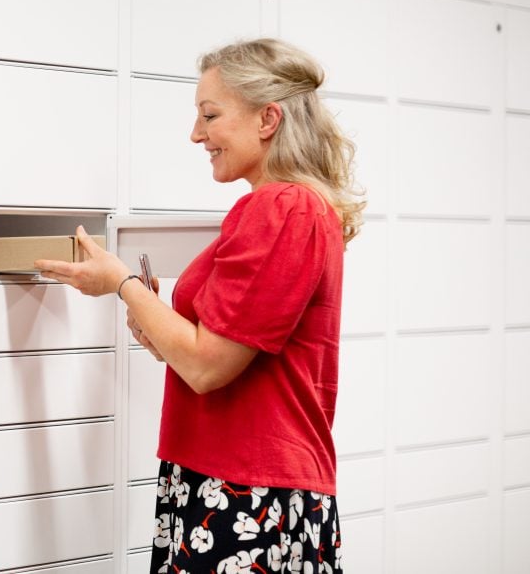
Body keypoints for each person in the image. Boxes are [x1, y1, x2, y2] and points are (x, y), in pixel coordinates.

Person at [35, 38, 363, 573]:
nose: (196, 134)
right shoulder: (287, 209)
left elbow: (208, 366)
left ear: (268, 119)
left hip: (248, 493)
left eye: (210, 115)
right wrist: (156, 323)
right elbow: (205, 352)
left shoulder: (281, 209)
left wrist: (123, 284)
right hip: (230, 482)